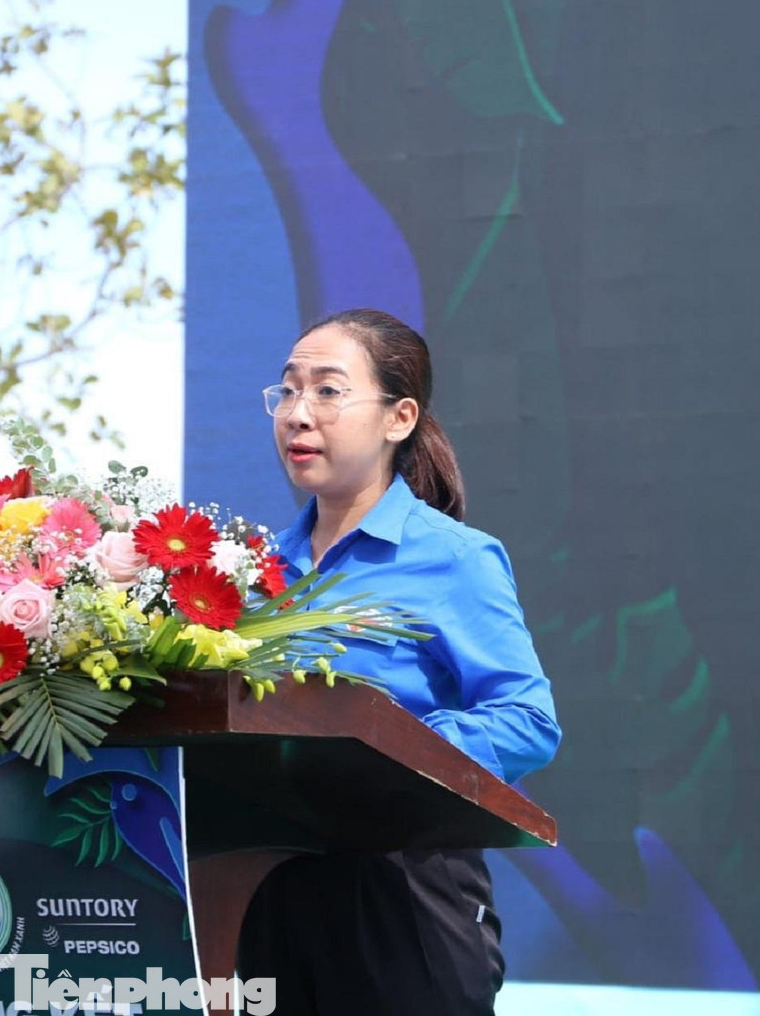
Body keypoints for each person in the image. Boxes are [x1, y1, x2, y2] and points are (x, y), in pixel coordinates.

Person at [237, 307, 561, 1014]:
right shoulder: (257, 571)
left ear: (399, 417)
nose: (298, 413)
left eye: (328, 390)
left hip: (406, 888)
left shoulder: (453, 557)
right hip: (271, 891)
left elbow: (528, 720)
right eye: (287, 390)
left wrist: (391, 750)